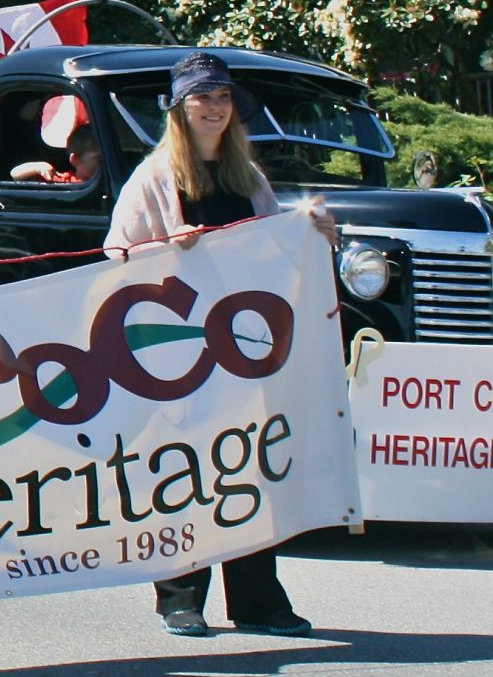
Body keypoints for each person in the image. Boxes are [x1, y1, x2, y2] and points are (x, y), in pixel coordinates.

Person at [104, 51, 334, 639]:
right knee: (187, 471)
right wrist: (165, 250)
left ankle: (257, 599)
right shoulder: (156, 178)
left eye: (223, 98)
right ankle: (179, 598)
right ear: (179, 110)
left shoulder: (248, 178)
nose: (215, 108)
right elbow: (113, 259)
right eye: (202, 98)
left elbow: (274, 253)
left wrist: (315, 236)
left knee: (246, 469)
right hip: (180, 352)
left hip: (240, 348)